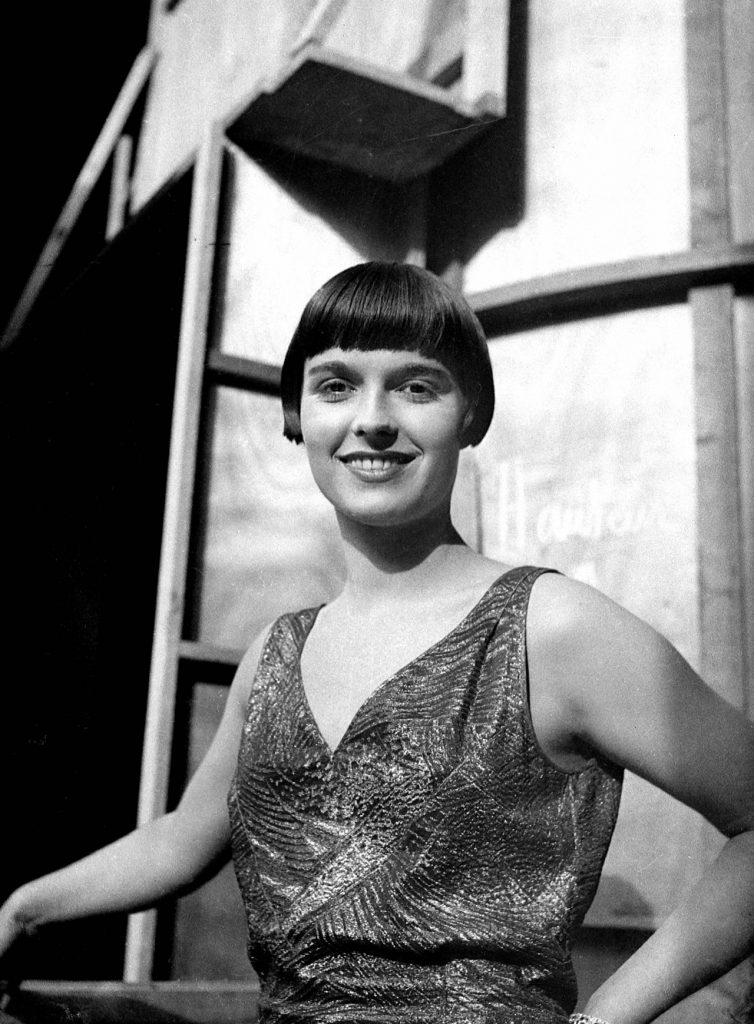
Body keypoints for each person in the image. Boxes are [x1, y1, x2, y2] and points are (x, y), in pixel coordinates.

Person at [1, 262, 753, 1024]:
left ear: (472, 413)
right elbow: (181, 843)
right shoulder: (276, 654)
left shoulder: (548, 628)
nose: (373, 420)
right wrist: (23, 909)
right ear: (295, 413)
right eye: (335, 386)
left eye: (416, 387)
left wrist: (607, 1017)